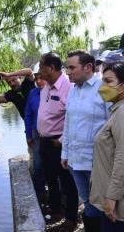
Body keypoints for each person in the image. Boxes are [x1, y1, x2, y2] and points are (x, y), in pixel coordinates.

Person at [61, 50, 108, 232]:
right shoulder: (73, 91)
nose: (68, 72)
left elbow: (114, 125)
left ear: (88, 67)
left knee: (102, 204)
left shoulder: (104, 88)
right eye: (67, 67)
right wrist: (65, 153)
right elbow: (68, 123)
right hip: (74, 161)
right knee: (88, 203)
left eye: (72, 67)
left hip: (96, 162)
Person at [37, 52, 78, 232]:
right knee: (51, 178)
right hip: (45, 142)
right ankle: (56, 210)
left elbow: (73, 116)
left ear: (51, 68)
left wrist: (61, 140)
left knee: (67, 182)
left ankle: (71, 218)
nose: (39, 71)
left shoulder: (68, 87)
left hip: (58, 143)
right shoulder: (46, 86)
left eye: (41, 67)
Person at [90, 58, 124, 231]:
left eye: (108, 81)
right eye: (102, 80)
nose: (102, 85)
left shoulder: (122, 113)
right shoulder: (116, 110)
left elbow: (122, 159)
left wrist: (111, 197)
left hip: (118, 205)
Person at [24, 63, 47, 205]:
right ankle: (41, 194)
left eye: (41, 78)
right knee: (38, 165)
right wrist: (29, 135)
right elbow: (28, 115)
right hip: (36, 134)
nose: (38, 81)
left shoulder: (53, 91)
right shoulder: (33, 93)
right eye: (36, 78)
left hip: (53, 135)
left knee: (54, 165)